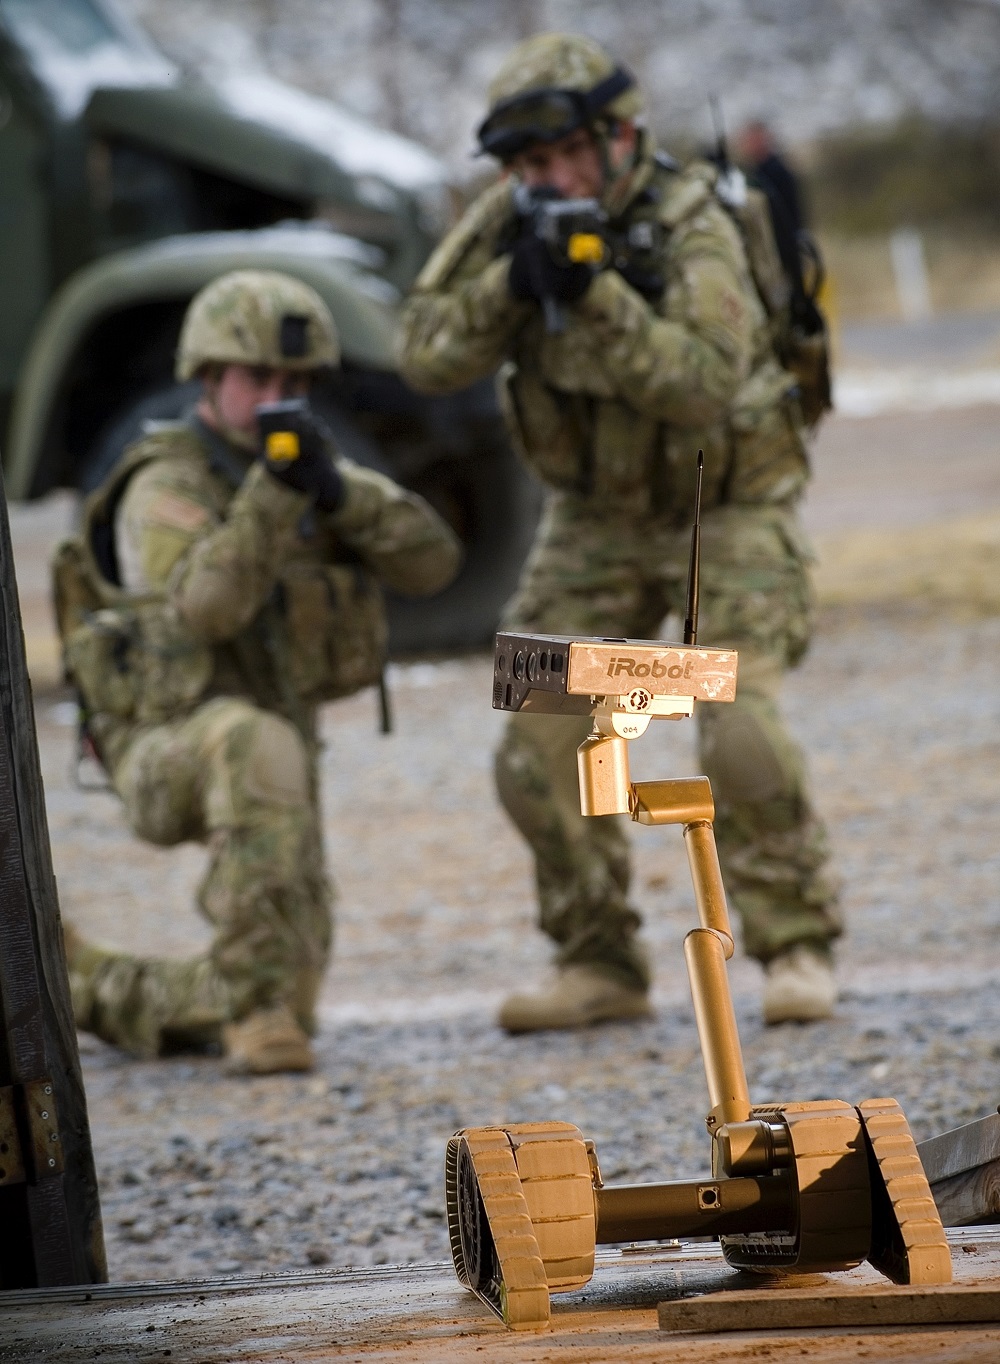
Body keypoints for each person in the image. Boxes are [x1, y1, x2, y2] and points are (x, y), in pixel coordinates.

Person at [399, 33, 841, 1033]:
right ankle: (598, 959)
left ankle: (796, 938)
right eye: (522, 167)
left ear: (619, 137)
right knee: (536, 729)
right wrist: (514, 284)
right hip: (594, 516)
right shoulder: (511, 224)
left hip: (716, 506)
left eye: (557, 159)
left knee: (736, 721)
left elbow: (697, 384)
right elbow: (422, 351)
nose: (542, 181)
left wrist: (590, 291)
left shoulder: (694, 222)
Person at [60, 270, 461, 1074]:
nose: (280, 398)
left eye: (298, 382)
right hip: (166, 748)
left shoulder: (308, 470)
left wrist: (340, 495)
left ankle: (94, 989)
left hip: (269, 759)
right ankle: (252, 1010)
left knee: (292, 989)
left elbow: (434, 563)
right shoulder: (164, 482)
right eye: (260, 379)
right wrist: (277, 498)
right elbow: (204, 608)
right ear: (209, 377)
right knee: (257, 744)